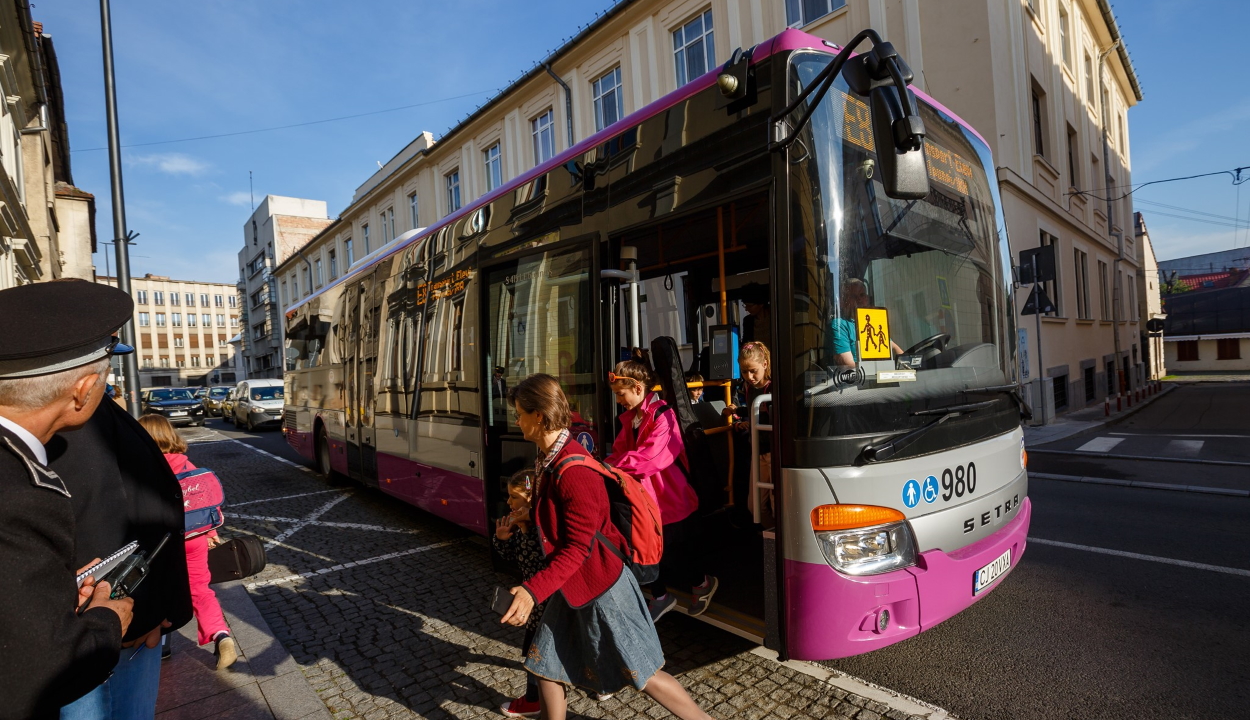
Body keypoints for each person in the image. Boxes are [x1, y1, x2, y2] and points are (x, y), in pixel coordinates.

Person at [499, 374, 717, 720]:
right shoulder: (549, 459)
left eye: (519, 413)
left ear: (538, 415)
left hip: (602, 588)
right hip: (572, 586)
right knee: (543, 665)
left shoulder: (572, 469)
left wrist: (531, 591)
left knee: (645, 675)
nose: (516, 420)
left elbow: (578, 548)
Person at [0, 281, 139, 718]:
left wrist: (53, 592)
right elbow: (36, 671)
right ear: (82, 391)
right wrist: (106, 623)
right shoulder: (19, 492)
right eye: (106, 377)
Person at [605, 361, 716, 622]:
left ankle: (700, 584)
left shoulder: (662, 414)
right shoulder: (636, 416)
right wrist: (603, 465)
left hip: (670, 494)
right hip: (651, 495)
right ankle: (663, 594)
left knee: (675, 550)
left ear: (637, 387)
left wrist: (607, 467)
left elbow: (650, 458)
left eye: (621, 394)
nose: (619, 400)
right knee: (654, 549)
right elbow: (623, 451)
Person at [135, 414, 236, 672]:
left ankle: (163, 645)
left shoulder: (142, 464)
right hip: (195, 537)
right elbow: (203, 502)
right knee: (200, 588)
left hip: (161, 541)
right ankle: (220, 634)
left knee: (159, 588)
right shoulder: (186, 463)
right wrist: (211, 534)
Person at [493, 470, 544, 718]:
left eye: (515, 498)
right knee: (537, 652)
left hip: (543, 604)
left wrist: (527, 527)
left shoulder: (541, 532)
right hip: (534, 604)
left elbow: (544, 566)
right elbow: (513, 558)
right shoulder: (522, 530)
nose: (509, 503)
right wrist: (502, 539)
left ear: (531, 501)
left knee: (536, 654)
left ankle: (533, 700)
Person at [723, 342, 773, 526]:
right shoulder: (749, 388)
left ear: (765, 364)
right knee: (755, 507)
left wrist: (744, 414)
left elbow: (767, 414)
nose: (749, 377)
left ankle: (774, 542)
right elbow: (755, 410)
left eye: (753, 371)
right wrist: (738, 413)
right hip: (757, 450)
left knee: (775, 504)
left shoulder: (772, 388)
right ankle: (769, 539)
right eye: (744, 372)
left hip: (772, 452)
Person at [832, 279, 903, 366]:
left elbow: (898, 353)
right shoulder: (840, 325)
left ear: (867, 298)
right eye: (853, 296)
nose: (859, 299)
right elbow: (849, 365)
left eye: (862, 295)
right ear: (844, 301)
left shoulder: (875, 320)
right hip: (856, 378)